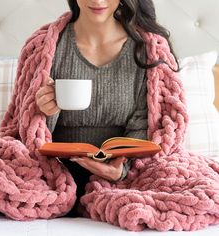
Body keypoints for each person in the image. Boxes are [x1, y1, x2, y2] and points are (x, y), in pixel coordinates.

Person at [35, 0, 178, 217]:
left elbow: (154, 127)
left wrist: (122, 170)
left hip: (128, 177)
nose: (98, 1)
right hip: (50, 173)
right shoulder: (44, 46)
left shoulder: (149, 50)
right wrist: (45, 110)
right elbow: (26, 130)